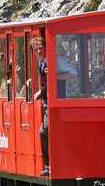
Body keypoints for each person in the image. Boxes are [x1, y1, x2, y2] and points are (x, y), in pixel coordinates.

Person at [31, 36, 77, 176]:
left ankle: (49, 165)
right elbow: (46, 81)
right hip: (47, 101)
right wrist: (40, 91)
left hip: (57, 102)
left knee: (44, 131)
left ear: (46, 47)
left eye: (41, 48)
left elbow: (73, 74)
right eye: (36, 49)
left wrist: (55, 76)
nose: (39, 50)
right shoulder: (41, 62)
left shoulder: (55, 61)